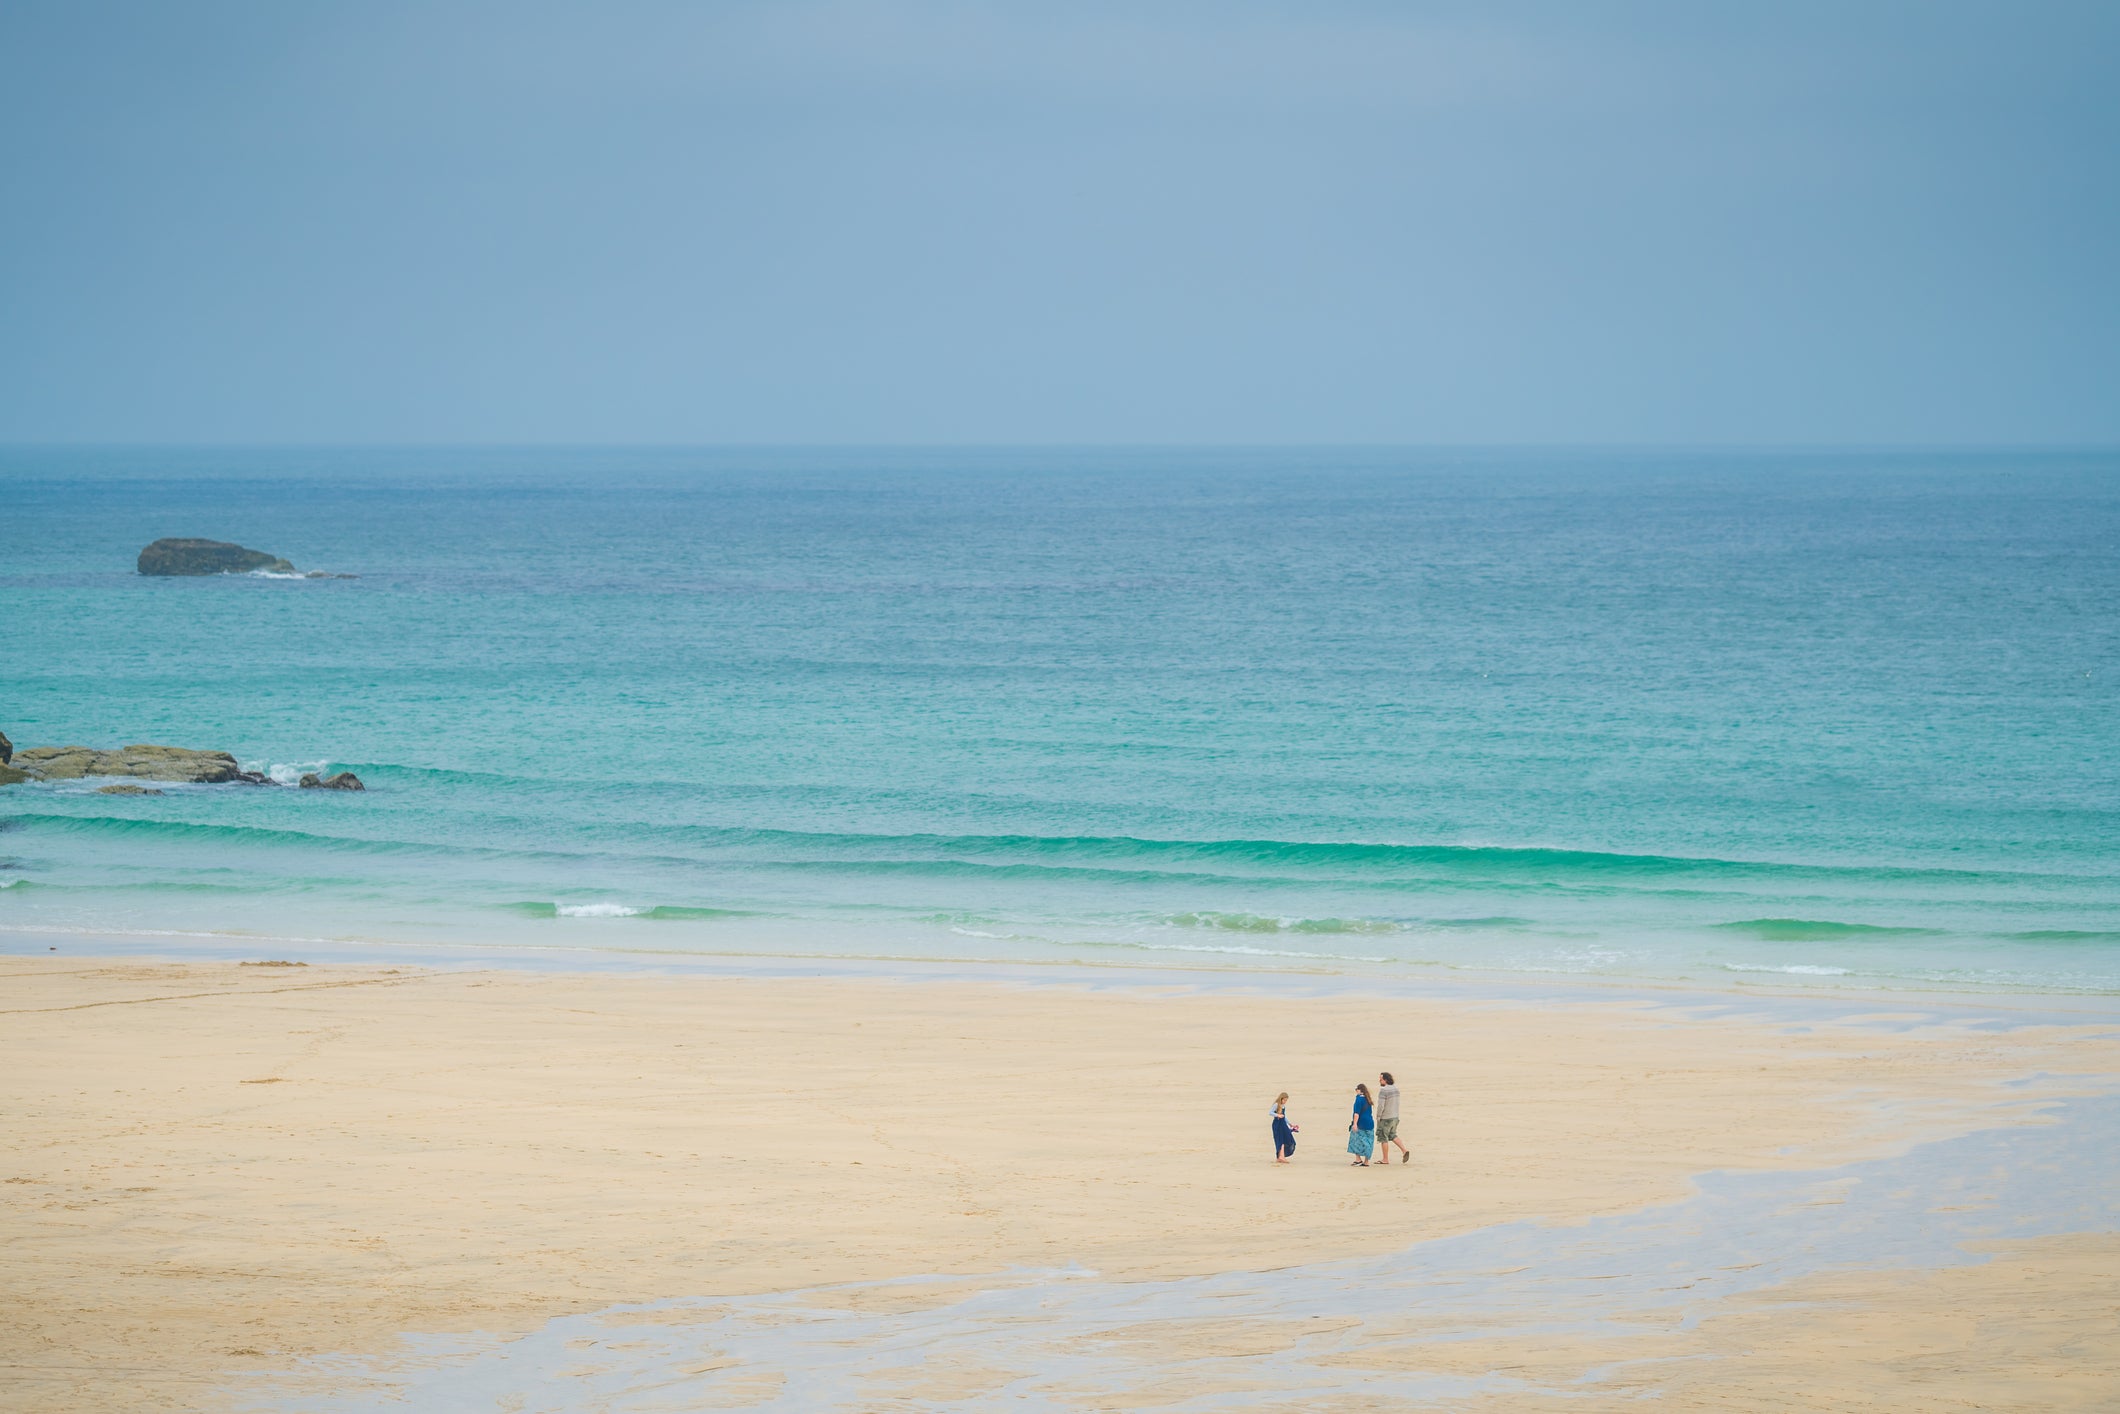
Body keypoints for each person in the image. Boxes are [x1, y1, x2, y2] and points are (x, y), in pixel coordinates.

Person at [1375, 1071, 1408, 1164]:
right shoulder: (1396, 1089)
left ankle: (1385, 1159)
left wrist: (1378, 1116)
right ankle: (1404, 1150)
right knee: (1392, 1135)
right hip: (1395, 1116)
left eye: (1380, 1079)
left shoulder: (1384, 1090)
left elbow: (1381, 1105)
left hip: (1386, 1117)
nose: (1379, 1080)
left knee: (1383, 1138)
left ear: (1385, 1080)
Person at [1346, 1083, 1376, 1165]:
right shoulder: (1368, 1098)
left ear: (1360, 1090)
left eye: (1357, 1089)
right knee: (1368, 1142)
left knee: (1355, 1140)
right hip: (1370, 1123)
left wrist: (1355, 1124)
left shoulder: (1359, 1099)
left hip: (1361, 1123)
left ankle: (1358, 1159)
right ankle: (1366, 1161)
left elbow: (1356, 1113)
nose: (1356, 1091)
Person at [1271, 1093, 1298, 1163]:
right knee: (1280, 1140)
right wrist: (1277, 1115)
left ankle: (1281, 1157)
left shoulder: (1283, 1106)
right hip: (1277, 1124)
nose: (1285, 1101)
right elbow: (1270, 1112)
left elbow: (1284, 1116)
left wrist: (1290, 1124)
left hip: (1283, 1124)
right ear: (1281, 1098)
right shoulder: (1276, 1104)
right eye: (1284, 1100)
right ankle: (1281, 1157)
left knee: (1287, 1139)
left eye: (1286, 1100)